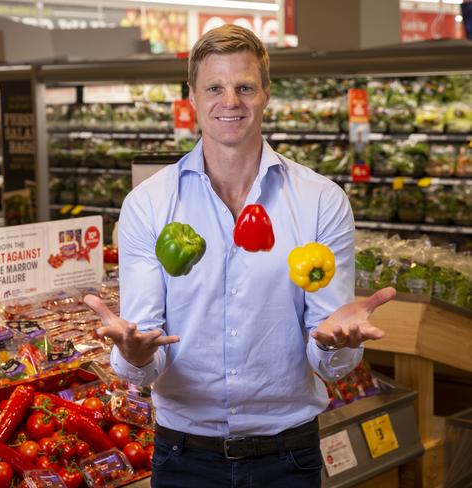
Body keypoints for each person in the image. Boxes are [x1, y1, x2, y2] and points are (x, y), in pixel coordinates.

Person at [84, 24, 396, 488]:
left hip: (288, 457)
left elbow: (326, 355)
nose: (230, 101)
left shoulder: (320, 200)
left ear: (266, 94)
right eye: (214, 87)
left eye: (245, 87)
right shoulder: (148, 204)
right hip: (183, 456)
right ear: (192, 95)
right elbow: (147, 358)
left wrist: (337, 342)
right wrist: (131, 353)